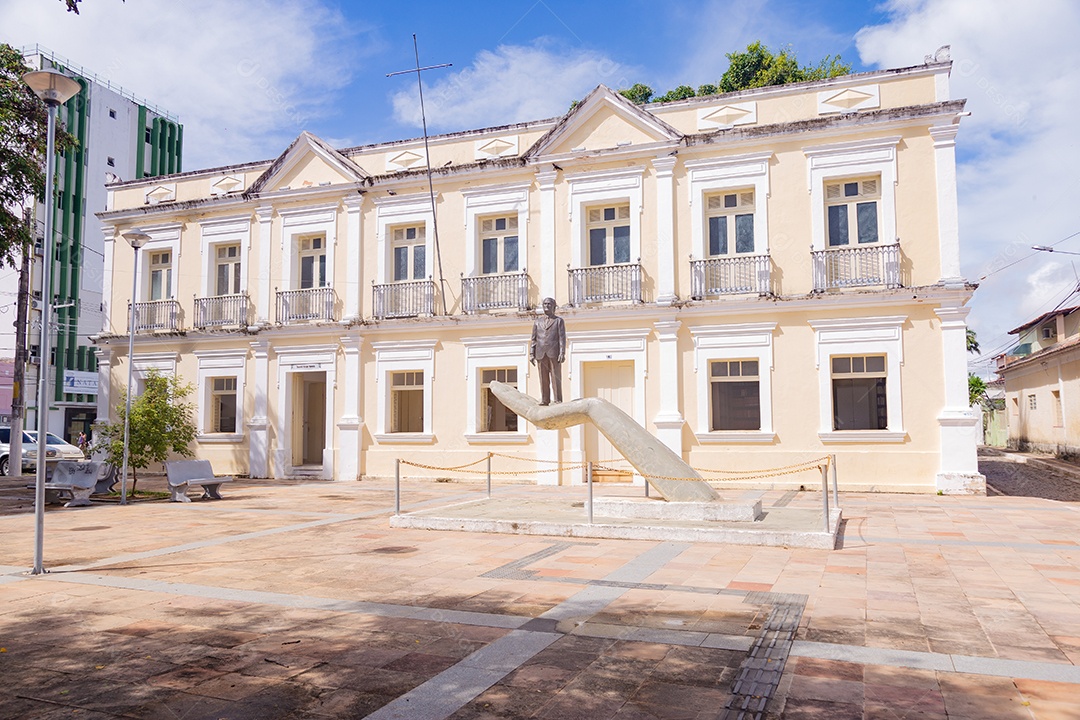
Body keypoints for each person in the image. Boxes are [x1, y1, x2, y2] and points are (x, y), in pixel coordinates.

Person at [530, 297, 566, 406]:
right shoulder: (537, 322)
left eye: (549, 304)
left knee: (556, 377)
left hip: (554, 352)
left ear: (554, 306)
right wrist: (532, 353)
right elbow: (534, 339)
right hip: (540, 353)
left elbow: (562, 338)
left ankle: (557, 400)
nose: (547, 306)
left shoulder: (558, 321)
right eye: (545, 304)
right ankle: (545, 400)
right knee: (543, 378)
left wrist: (562, 352)